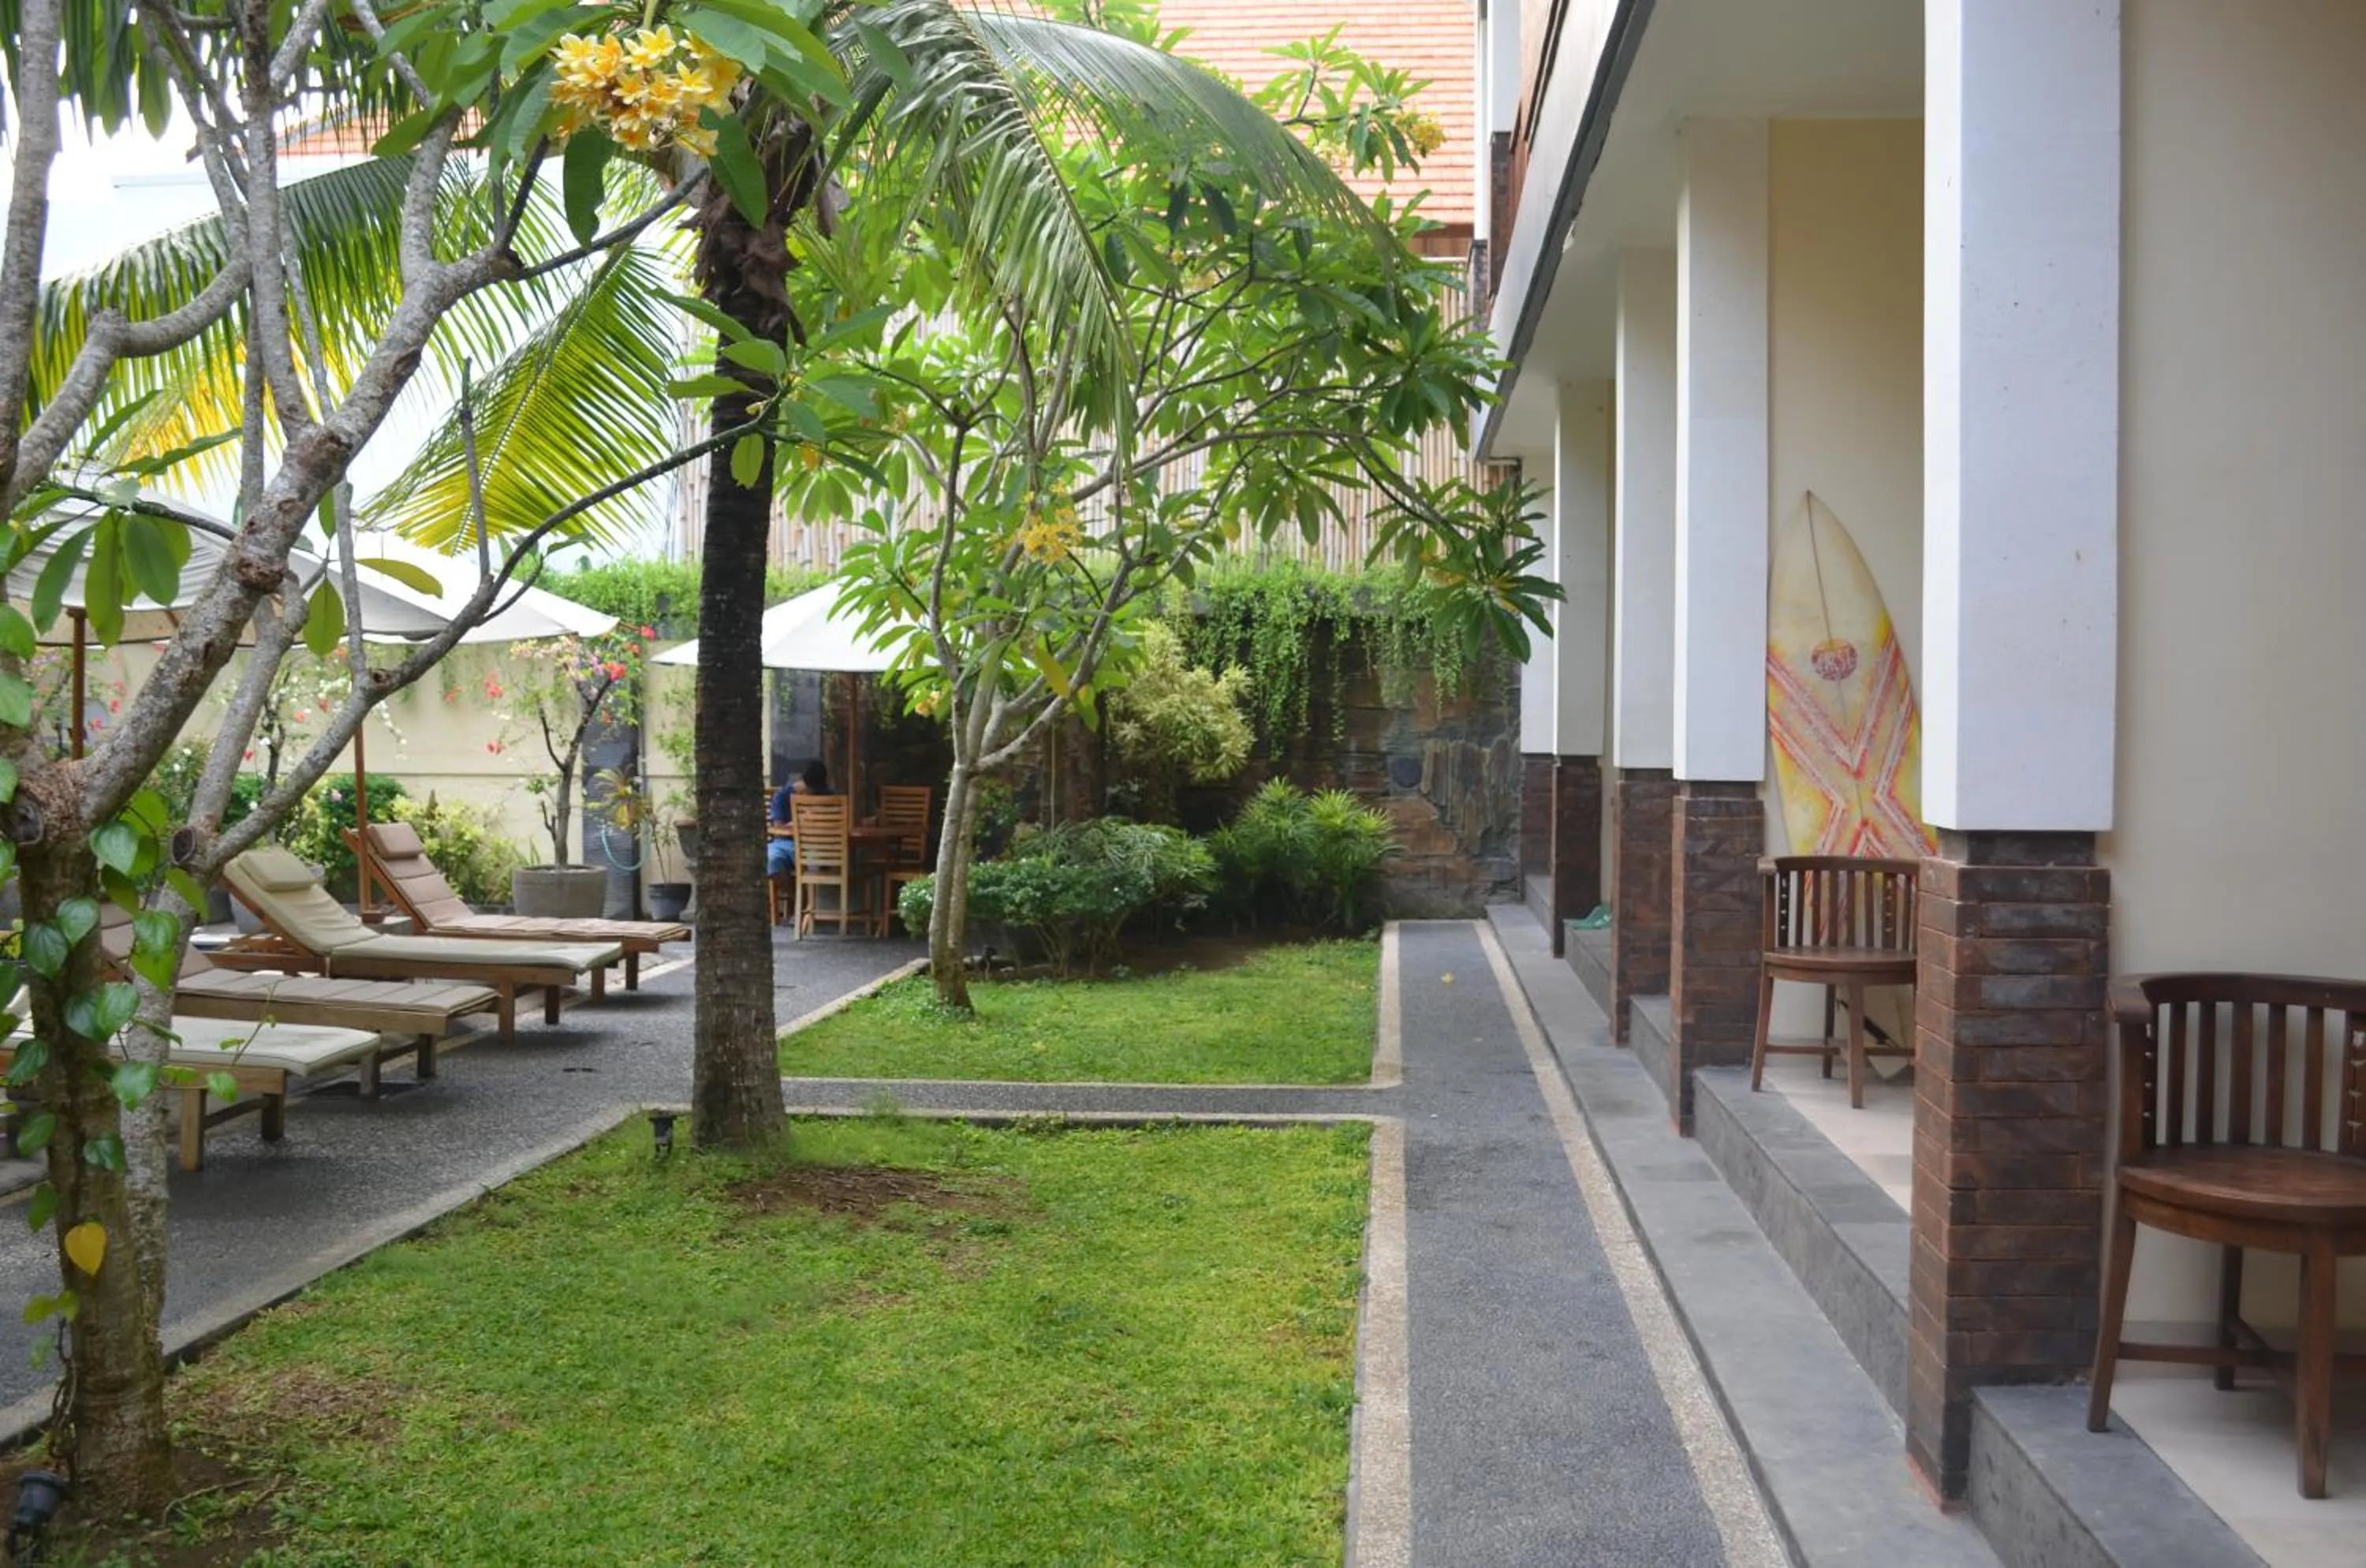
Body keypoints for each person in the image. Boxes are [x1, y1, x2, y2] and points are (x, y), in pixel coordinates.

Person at [767, 760, 831, 878]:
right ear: (804, 783)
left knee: (816, 861)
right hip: (786, 844)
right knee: (773, 862)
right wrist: (799, 822)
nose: (814, 795)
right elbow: (778, 828)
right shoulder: (782, 797)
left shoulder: (826, 795)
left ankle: (806, 893)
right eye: (812, 791)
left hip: (816, 846)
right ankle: (797, 895)